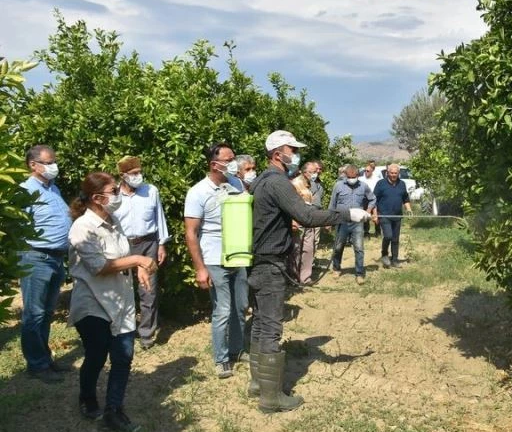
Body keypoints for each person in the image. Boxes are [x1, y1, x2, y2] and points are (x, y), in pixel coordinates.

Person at [248, 130, 371, 412]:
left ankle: (258, 383)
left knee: (259, 322)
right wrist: (347, 214)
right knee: (271, 327)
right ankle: (271, 398)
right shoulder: (278, 182)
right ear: (278, 153)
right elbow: (305, 216)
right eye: (293, 149)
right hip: (270, 264)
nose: (296, 154)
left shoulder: (260, 181)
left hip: (258, 262)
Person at [67, 172, 158, 432]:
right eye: (114, 191)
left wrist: (137, 267)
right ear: (97, 198)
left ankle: (114, 410)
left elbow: (123, 254)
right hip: (93, 302)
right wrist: (138, 261)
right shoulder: (82, 228)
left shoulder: (114, 220)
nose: (119, 194)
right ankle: (87, 398)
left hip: (121, 300)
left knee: (123, 356)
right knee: (96, 355)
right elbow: (98, 267)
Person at [184, 143, 248, 379]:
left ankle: (237, 350)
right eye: (229, 159)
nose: (233, 163)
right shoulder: (198, 192)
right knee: (222, 309)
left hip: (238, 255)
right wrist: (200, 268)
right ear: (214, 164)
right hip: (214, 257)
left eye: (234, 157)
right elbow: (190, 233)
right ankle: (221, 359)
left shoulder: (236, 184)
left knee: (240, 306)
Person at [18, 144, 73, 383]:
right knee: (34, 313)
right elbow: (17, 227)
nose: (54, 166)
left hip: (56, 258)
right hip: (36, 257)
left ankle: (45, 358)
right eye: (49, 163)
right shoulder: (25, 191)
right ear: (33, 164)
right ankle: (37, 365)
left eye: (54, 162)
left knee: (47, 312)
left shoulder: (53, 189)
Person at [114, 156, 170, 350]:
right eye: (134, 174)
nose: (138, 176)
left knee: (149, 290)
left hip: (148, 244)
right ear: (123, 176)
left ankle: (146, 333)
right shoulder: (114, 195)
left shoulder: (150, 191)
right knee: (121, 289)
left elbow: (159, 218)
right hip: (123, 246)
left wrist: (161, 244)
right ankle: (122, 331)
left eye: (139, 172)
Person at [329, 164, 376, 284]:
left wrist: (368, 211)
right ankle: (336, 268)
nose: (351, 178)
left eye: (353, 176)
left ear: (357, 175)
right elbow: (332, 204)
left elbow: (372, 199)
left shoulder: (363, 186)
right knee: (338, 246)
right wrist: (329, 221)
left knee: (359, 248)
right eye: (349, 176)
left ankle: (359, 273)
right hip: (341, 220)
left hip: (357, 222)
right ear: (345, 175)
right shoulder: (338, 186)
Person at [374, 163, 412, 268]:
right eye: (391, 173)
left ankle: (395, 260)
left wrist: (408, 209)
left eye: (396, 173)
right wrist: (375, 214)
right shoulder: (380, 184)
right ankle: (384, 254)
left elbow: (405, 198)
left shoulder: (402, 184)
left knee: (395, 239)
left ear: (398, 173)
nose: (393, 175)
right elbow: (374, 200)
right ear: (387, 173)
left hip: (397, 216)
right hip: (384, 215)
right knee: (388, 236)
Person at [289, 162, 318, 284]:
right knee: (296, 249)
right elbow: (289, 203)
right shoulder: (294, 184)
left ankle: (305, 277)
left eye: (315, 171)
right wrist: (292, 220)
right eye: (311, 171)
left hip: (308, 220)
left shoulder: (310, 184)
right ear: (304, 172)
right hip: (297, 220)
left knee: (308, 248)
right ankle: (294, 277)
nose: (314, 174)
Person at [360, 160, 381, 238]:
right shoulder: (361, 179)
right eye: (365, 170)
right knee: (365, 215)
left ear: (372, 171)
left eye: (368, 171)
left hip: (375, 199)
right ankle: (366, 232)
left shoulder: (377, 179)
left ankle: (378, 231)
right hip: (364, 200)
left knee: (376, 215)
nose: (366, 172)